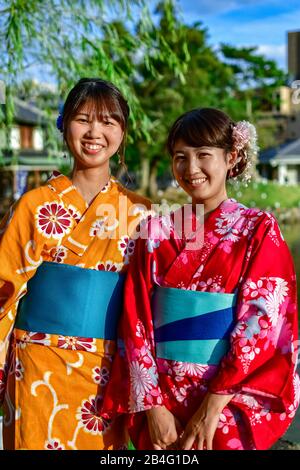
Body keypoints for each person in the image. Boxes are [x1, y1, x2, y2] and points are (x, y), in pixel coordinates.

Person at [104, 108, 299, 450]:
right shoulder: (156, 231)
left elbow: (265, 322)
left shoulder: (258, 230)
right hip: (161, 399)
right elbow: (135, 322)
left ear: (231, 158)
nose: (191, 169)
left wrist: (214, 404)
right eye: (181, 157)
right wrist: (153, 406)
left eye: (203, 155)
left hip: (227, 403)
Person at [0, 78, 151, 450]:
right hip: (36, 361)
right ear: (64, 124)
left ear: (122, 132)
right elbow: (3, 291)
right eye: (83, 119)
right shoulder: (33, 205)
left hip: (106, 370)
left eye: (108, 122)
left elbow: (148, 303)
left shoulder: (141, 213)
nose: (94, 132)